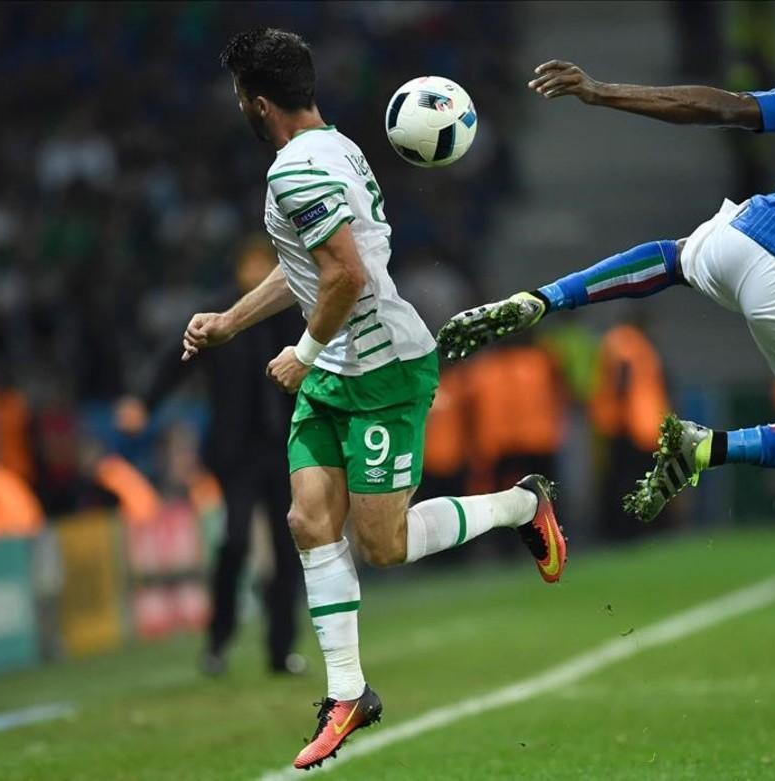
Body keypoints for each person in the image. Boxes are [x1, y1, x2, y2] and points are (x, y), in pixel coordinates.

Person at [182, 29, 567, 770]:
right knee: (306, 518)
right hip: (340, 369)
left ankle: (523, 502)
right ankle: (347, 692)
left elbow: (346, 277)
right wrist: (231, 321)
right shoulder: (338, 148)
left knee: (381, 546)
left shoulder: (295, 170)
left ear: (255, 102)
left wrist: (302, 353)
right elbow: (308, 267)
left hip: (384, 369)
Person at [439, 28, 775, 523]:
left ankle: (545, 298)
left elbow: (725, 107)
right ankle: (709, 447)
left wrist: (600, 91)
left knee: (674, 257)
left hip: (744, 239)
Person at [116, 238, 307, 678]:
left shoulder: (287, 311)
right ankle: (217, 643)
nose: (259, 271)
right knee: (236, 540)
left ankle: (281, 650)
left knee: (286, 545)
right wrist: (144, 402)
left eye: (266, 262)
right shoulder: (221, 314)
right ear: (238, 267)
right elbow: (175, 358)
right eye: (252, 262)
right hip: (235, 450)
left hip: (283, 445)